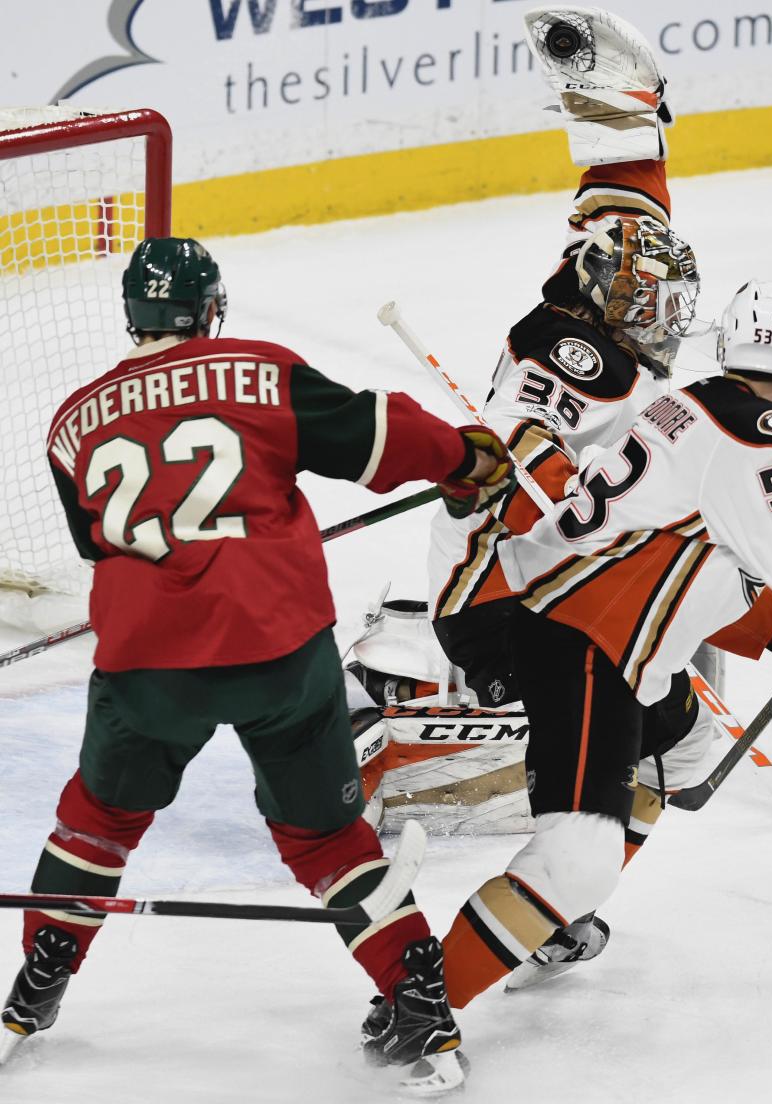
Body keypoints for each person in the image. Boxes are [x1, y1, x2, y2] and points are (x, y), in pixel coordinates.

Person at [348, 5, 772, 989]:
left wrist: (617, 116)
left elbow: (622, 225)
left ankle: (550, 882)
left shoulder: (585, 297)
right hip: (515, 598)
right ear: (611, 310)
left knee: (668, 693)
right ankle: (548, 902)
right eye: (654, 307)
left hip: (520, 568)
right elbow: (539, 490)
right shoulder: (576, 373)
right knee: (675, 749)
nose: (670, 319)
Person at [0, 236, 513, 1094]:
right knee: (323, 834)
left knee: (98, 819)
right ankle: (416, 990)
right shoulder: (257, 371)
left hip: (147, 660)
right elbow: (377, 436)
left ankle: (38, 978)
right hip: (277, 644)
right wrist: (462, 461)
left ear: (134, 316)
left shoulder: (70, 425)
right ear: (209, 310)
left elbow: (100, 539)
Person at [437, 268, 772, 1011]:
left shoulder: (680, 408)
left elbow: (690, 558)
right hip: (584, 640)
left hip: (575, 614)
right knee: (576, 860)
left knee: (679, 743)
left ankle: (544, 920)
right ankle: (418, 1003)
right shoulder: (761, 433)